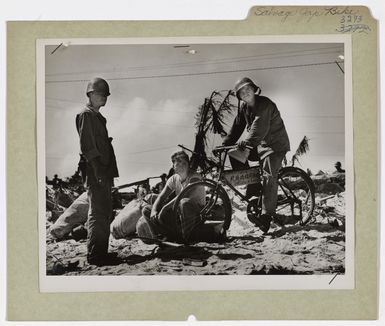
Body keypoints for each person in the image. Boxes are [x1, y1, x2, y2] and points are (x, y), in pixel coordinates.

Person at [222, 77, 290, 233]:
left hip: (275, 145)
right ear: (239, 97)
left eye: (248, 89)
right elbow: (236, 129)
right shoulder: (244, 109)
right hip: (260, 145)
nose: (245, 93)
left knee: (268, 175)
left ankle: (266, 216)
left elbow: (258, 128)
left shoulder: (265, 104)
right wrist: (224, 145)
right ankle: (254, 188)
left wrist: (246, 143)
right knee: (234, 154)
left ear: (254, 90)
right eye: (241, 92)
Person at [75, 77, 119, 266]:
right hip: (95, 171)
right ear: (90, 94)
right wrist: (99, 172)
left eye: (106, 95)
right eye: (101, 94)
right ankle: (95, 255)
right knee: (98, 212)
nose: (105, 98)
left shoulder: (97, 117)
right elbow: (88, 148)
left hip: (103, 171)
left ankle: (101, 252)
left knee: (105, 212)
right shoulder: (86, 115)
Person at [139, 151, 206, 243]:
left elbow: (184, 194)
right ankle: (164, 237)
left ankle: (188, 238)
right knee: (146, 210)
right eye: (178, 164)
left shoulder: (195, 176)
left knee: (184, 202)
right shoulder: (173, 179)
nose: (181, 166)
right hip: (179, 213)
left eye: (184, 163)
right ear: (174, 167)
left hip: (197, 213)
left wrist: (165, 208)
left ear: (188, 164)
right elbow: (161, 197)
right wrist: (154, 210)